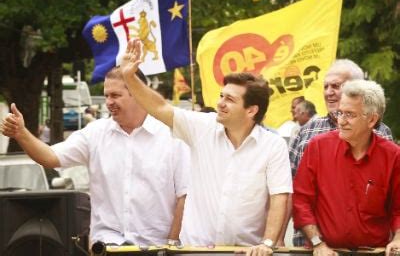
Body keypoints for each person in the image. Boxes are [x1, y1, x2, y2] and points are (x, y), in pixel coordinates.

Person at [120, 39, 292, 255]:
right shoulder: (202, 126)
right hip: (195, 250)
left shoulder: (273, 146)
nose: (220, 103)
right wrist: (129, 76)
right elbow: (160, 106)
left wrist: (267, 244)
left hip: (246, 252)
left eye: (229, 99)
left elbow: (280, 197)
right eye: (221, 96)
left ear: (251, 110)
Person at [1, 68, 190, 246]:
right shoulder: (95, 134)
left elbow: (184, 197)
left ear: (138, 93)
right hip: (107, 246)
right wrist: (21, 133)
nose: (108, 102)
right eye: (106, 95)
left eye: (115, 95)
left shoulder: (172, 137)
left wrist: (171, 246)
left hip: (155, 248)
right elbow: (50, 157)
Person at [287, 59, 393, 247]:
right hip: (315, 248)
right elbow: (295, 193)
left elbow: (393, 202)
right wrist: (316, 242)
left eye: (336, 86)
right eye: (326, 86)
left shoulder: (385, 142)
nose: (328, 92)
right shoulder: (309, 135)